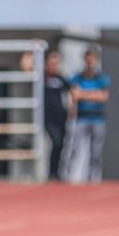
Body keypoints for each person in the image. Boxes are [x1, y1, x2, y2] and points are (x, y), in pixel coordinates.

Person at [64, 47, 110, 183]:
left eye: (92, 58)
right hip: (81, 118)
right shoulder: (77, 77)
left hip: (97, 118)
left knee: (95, 152)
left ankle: (92, 179)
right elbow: (74, 95)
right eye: (87, 57)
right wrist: (93, 94)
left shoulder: (102, 78)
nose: (90, 61)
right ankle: (67, 178)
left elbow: (103, 97)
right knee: (74, 149)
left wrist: (83, 94)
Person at [43, 50, 71, 181]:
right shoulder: (41, 77)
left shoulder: (61, 79)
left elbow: (72, 91)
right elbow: (26, 66)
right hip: (48, 119)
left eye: (57, 63)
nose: (55, 65)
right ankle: (51, 172)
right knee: (56, 141)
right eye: (52, 62)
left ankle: (58, 173)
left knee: (61, 146)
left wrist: (72, 107)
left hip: (61, 118)